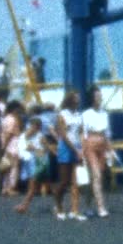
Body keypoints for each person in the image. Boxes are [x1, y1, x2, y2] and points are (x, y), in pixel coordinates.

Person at [52, 91, 86, 221]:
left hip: (77, 147)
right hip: (66, 148)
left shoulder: (79, 115)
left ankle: (75, 210)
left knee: (75, 182)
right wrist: (75, 150)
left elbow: (81, 132)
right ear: (70, 100)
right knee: (64, 181)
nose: (78, 101)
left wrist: (81, 148)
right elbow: (64, 135)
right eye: (76, 99)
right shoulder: (62, 115)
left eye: (78, 99)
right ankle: (58, 206)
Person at [81, 86, 112, 217]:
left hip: (103, 144)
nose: (100, 98)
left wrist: (110, 149)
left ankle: (88, 205)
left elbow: (108, 133)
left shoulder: (105, 113)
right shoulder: (86, 114)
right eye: (97, 96)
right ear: (92, 98)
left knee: (96, 178)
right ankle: (101, 207)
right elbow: (83, 133)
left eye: (101, 96)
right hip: (91, 145)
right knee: (96, 176)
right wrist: (82, 152)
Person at [14, 117, 52, 214]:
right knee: (37, 185)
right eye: (31, 126)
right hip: (29, 163)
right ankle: (57, 205)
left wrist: (34, 149)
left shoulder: (40, 137)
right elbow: (21, 147)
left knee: (33, 186)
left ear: (38, 127)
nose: (31, 128)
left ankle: (24, 206)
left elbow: (46, 150)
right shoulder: (24, 136)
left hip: (39, 164)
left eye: (34, 127)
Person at [0, 100, 25, 196]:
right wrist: (5, 145)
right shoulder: (13, 119)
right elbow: (10, 134)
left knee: (6, 167)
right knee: (14, 167)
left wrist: (3, 146)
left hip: (7, 145)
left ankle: (4, 187)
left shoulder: (5, 118)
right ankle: (11, 187)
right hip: (13, 144)